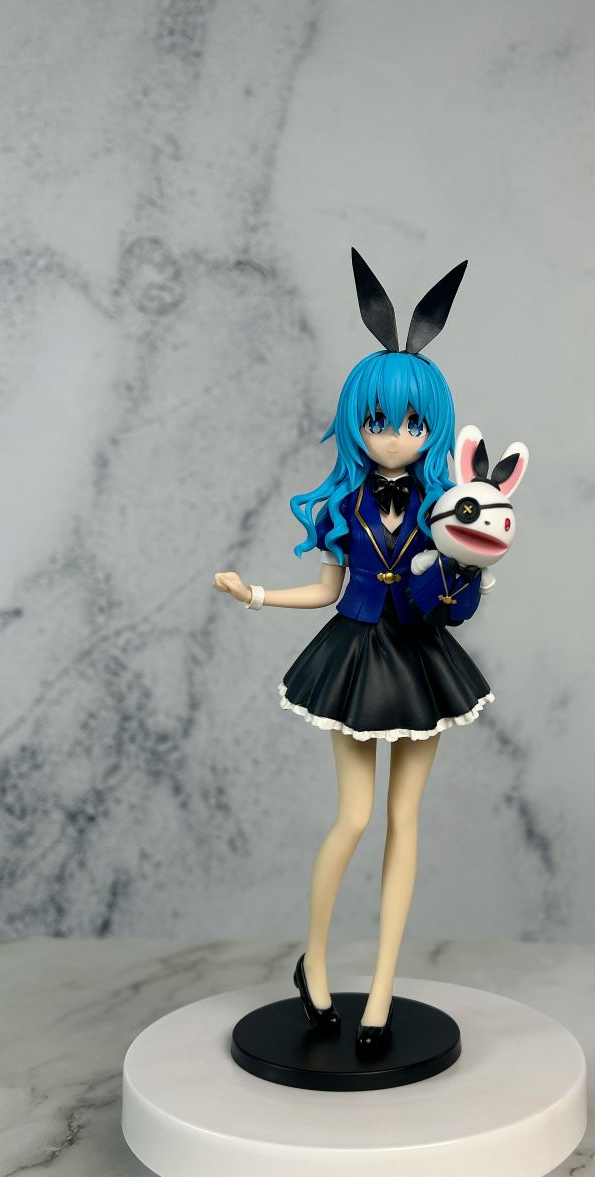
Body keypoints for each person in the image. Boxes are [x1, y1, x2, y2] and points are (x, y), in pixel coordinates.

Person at [214, 250, 492, 1058]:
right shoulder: (345, 502)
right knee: (356, 815)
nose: (396, 435)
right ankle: (316, 960)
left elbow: (459, 595)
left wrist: (466, 569)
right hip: (357, 657)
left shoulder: (444, 504)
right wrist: (256, 595)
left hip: (423, 661)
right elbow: (326, 590)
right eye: (379, 420)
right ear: (355, 422)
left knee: (406, 820)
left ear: (432, 427)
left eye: (412, 423)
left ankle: (380, 993)